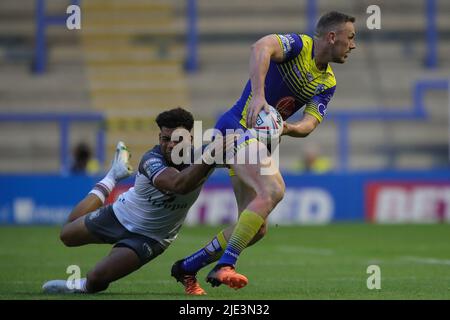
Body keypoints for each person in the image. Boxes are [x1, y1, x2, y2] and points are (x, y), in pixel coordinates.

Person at [171, 11, 356, 292]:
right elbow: (260, 46)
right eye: (351, 37)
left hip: (263, 143)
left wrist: (286, 128)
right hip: (238, 128)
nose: (353, 45)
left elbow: (309, 123)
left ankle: (187, 267)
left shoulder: (327, 82)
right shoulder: (299, 45)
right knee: (274, 190)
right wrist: (258, 95)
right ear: (332, 37)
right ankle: (225, 265)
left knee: (256, 229)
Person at [42, 107, 233, 296]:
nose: (171, 146)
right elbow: (178, 184)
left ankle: (82, 285)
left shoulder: (203, 156)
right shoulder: (151, 159)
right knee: (66, 235)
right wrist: (211, 157)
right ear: (159, 138)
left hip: (151, 237)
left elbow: (245, 154)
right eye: (166, 139)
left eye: (178, 140)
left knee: (96, 280)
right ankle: (113, 175)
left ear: (190, 140)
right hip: (119, 214)